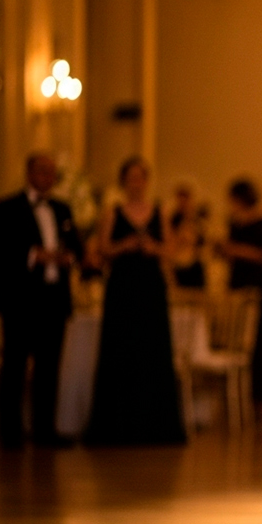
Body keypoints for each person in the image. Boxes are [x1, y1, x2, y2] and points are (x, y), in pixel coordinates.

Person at [84, 157, 185, 445]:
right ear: (124, 182)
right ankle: (117, 424)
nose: (136, 183)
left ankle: (156, 424)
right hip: (122, 289)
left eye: (141, 177)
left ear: (146, 181)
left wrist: (153, 248)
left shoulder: (159, 212)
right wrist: (123, 246)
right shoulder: (112, 213)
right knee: (121, 351)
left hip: (151, 289)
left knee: (152, 352)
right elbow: (101, 250)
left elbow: (171, 250)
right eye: (131, 178)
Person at [0, 153, 83, 448]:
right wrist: (32, 255)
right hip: (20, 298)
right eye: (42, 171)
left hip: (54, 297)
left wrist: (69, 257)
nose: (47, 178)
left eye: (52, 173)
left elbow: (77, 246)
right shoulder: (7, 208)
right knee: (14, 364)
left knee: (49, 367)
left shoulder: (62, 209)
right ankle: (11, 432)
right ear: (29, 173)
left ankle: (45, 430)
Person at [218, 178, 262, 404]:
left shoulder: (261, 222)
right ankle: (237, 390)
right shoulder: (234, 222)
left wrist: (235, 250)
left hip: (257, 286)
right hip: (239, 283)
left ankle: (259, 391)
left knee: (256, 339)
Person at [169, 183, 206, 290]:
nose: (183, 203)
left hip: (194, 264)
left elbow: (203, 242)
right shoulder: (173, 219)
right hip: (178, 264)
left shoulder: (198, 220)